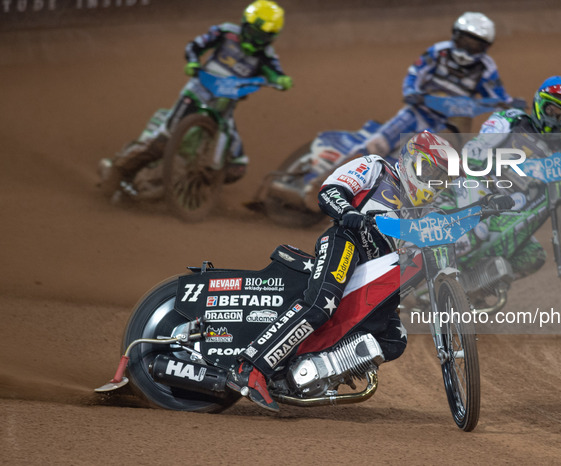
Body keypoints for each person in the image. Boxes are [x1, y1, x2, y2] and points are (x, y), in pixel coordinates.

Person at [225, 131, 511, 411]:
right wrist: (348, 212)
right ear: (411, 160)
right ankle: (249, 368)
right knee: (322, 303)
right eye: (428, 169)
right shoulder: (377, 168)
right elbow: (330, 190)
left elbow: (453, 216)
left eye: (440, 177)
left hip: (374, 273)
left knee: (394, 338)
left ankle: (309, 373)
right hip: (346, 242)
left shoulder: (423, 210)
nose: (433, 181)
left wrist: (487, 204)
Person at [448, 75, 561, 283]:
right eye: (551, 111)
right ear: (539, 103)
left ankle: (468, 288)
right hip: (481, 186)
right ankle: (433, 270)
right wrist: (483, 158)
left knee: (533, 256)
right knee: (477, 232)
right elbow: (478, 144)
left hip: (510, 212)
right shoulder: (513, 119)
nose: (555, 120)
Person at [98, 0, 293, 196]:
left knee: (236, 167)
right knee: (162, 141)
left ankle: (191, 193)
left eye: (263, 37)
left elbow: (276, 72)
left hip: (225, 106)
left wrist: (281, 79)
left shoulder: (267, 56)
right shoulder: (226, 32)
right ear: (244, 24)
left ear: (272, 37)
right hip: (197, 92)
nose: (257, 40)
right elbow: (195, 45)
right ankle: (118, 171)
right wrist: (193, 62)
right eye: (254, 33)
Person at [363, 11, 521, 157]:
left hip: (450, 123)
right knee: (375, 146)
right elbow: (415, 73)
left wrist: (511, 107)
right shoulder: (438, 52)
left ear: (485, 47)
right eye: (464, 42)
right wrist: (411, 92)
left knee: (422, 158)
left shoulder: (486, 68)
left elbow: (498, 98)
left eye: (474, 46)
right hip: (420, 111)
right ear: (455, 36)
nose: (466, 51)